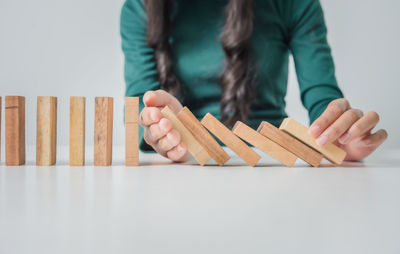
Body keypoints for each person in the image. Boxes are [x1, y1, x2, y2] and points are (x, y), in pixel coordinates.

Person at [121, 0, 387, 163]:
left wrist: (339, 134)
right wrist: (163, 132)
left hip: (270, 165)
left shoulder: (295, 3)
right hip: (180, 172)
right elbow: (139, 110)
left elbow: (323, 96)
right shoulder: (139, 7)